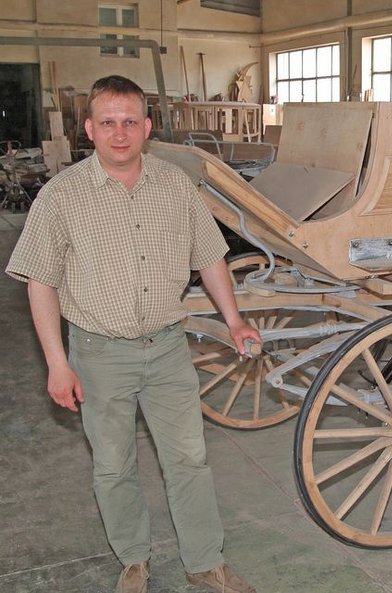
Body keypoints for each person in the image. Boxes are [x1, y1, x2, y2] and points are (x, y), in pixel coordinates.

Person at [6, 75, 260, 593]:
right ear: (89, 129)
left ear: (146, 127)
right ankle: (134, 561)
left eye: (129, 122)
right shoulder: (61, 196)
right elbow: (41, 283)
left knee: (188, 459)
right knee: (113, 464)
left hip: (167, 348)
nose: (119, 134)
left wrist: (234, 319)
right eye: (107, 123)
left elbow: (210, 257)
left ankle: (204, 562)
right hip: (99, 355)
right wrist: (58, 363)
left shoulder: (175, 186)